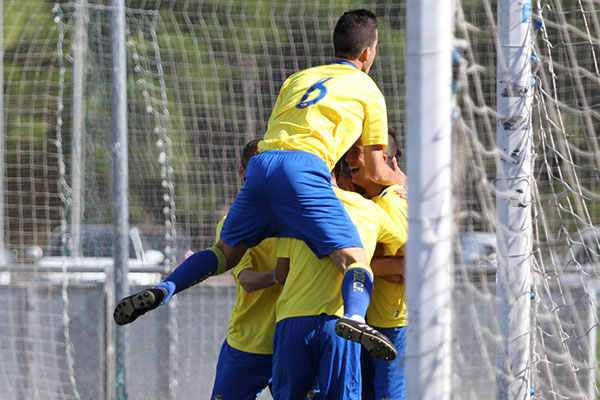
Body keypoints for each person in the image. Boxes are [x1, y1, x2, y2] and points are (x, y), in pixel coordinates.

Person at [114, 9, 404, 359]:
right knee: (354, 258)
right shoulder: (367, 88)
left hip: (263, 163)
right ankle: (356, 318)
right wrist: (402, 179)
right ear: (368, 52)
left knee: (224, 252)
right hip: (305, 167)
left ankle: (164, 288)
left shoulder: (298, 79)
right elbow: (375, 169)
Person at [270, 163, 407, 399]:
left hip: (294, 318)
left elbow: (280, 275)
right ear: (344, 174)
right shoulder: (369, 210)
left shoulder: (297, 207)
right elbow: (415, 252)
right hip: (342, 323)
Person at [209, 140, 282, 399]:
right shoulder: (233, 225)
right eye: (256, 170)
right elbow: (247, 280)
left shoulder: (297, 217)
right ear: (243, 173)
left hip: (291, 342)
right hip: (249, 342)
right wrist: (277, 275)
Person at [345, 133, 409, 400]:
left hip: (393, 322)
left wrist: (359, 266)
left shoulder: (392, 200)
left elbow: (410, 266)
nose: (349, 158)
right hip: (373, 320)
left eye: (357, 152)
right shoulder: (369, 202)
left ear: (382, 160)